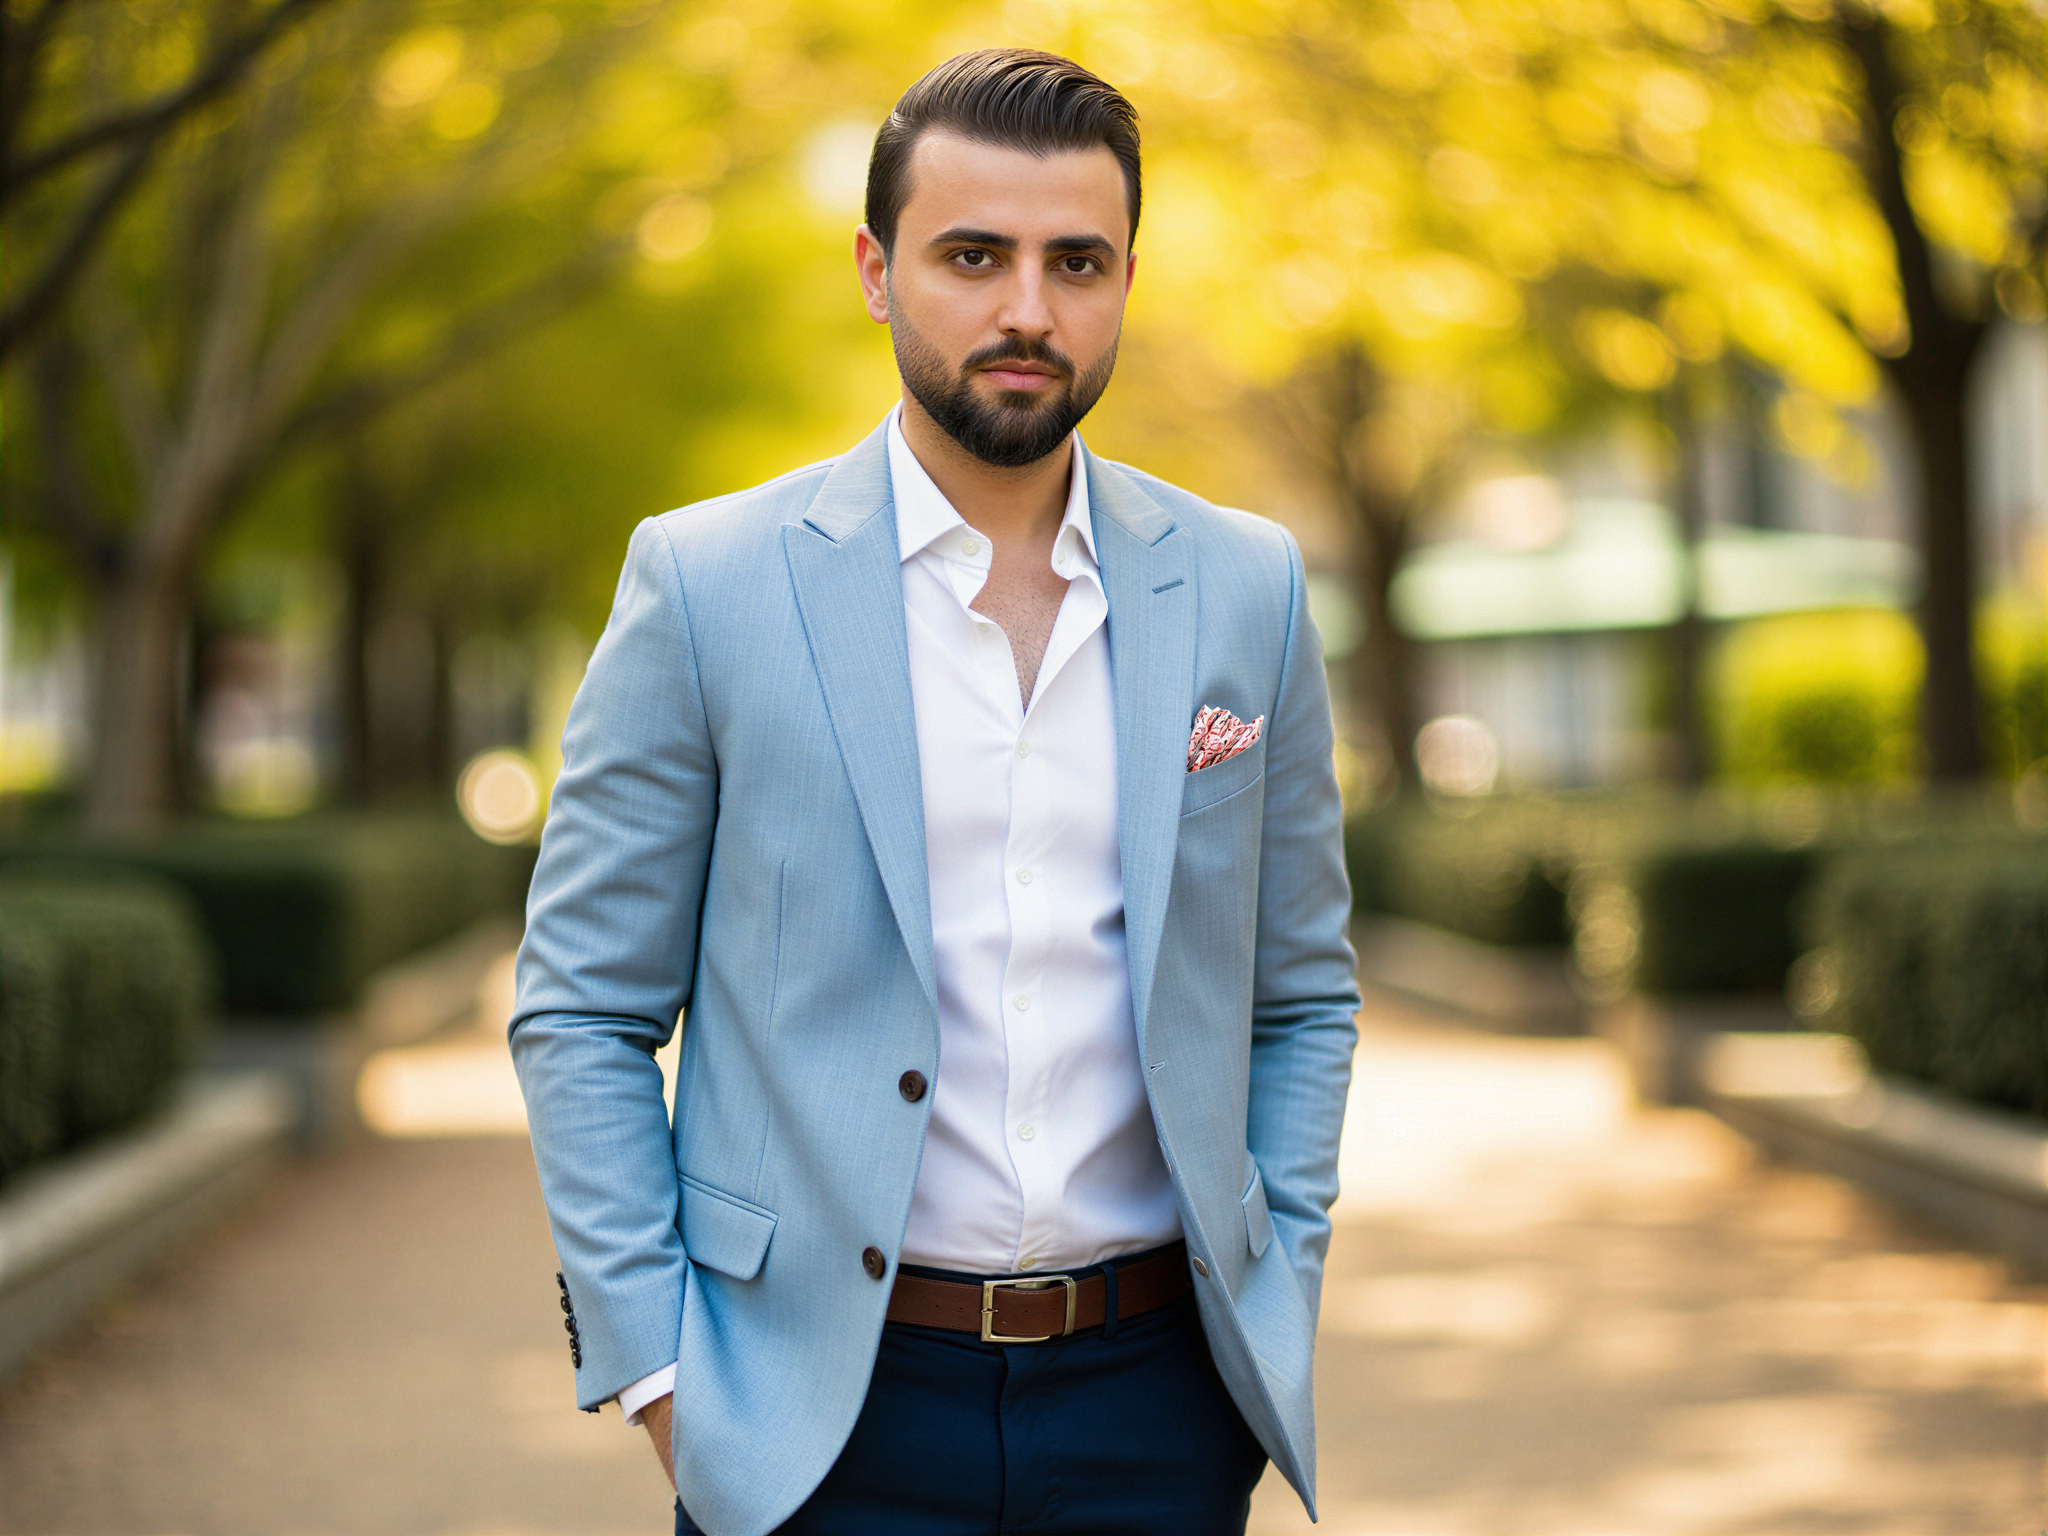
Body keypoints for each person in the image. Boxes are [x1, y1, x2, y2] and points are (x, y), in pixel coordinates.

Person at [510, 48, 1359, 1536]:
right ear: (877, 271)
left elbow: (1299, 993)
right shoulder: (705, 585)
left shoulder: (1246, 587)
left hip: (1162, 1404)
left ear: (1125, 282)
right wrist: (658, 1376)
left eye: (1074, 262)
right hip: (814, 1420)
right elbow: (580, 1004)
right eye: (973, 256)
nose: (1028, 310)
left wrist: (1279, 1262)